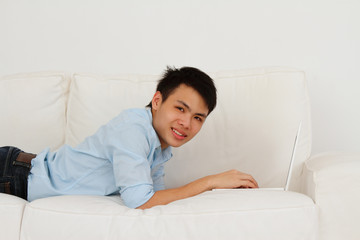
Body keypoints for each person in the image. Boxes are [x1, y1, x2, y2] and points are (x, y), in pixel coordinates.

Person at [0, 66, 258, 209]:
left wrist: (220, 190)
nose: (186, 123)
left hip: (21, 171)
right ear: (157, 101)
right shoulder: (133, 130)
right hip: (15, 175)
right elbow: (140, 201)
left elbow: (154, 197)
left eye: (198, 118)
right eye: (180, 108)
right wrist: (211, 181)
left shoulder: (159, 147)